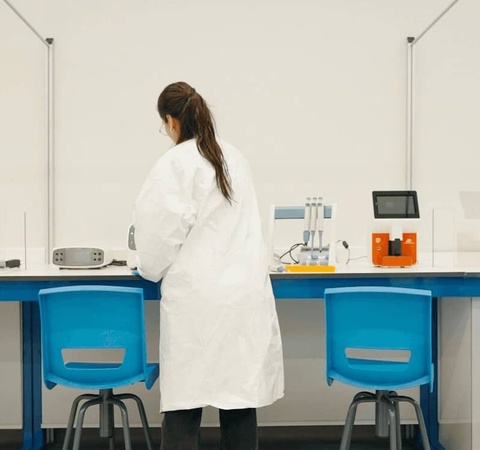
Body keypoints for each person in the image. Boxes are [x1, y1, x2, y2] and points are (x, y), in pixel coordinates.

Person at [132, 81, 284, 450]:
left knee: (185, 402)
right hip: (243, 295)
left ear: (171, 121)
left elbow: (156, 243)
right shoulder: (234, 156)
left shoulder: (174, 163)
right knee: (239, 400)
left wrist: (147, 265)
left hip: (197, 301)